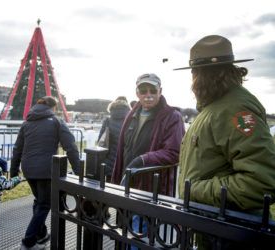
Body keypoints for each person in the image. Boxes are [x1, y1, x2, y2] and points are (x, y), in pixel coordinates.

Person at [175, 35, 275, 248]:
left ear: (204, 76)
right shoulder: (215, 107)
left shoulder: (235, 110)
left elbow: (262, 181)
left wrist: (193, 191)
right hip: (215, 227)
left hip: (231, 232)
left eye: (194, 73)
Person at [111, 73, 185, 249]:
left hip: (149, 188)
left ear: (160, 91)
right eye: (143, 90)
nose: (148, 94)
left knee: (138, 235)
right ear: (137, 92)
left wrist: (143, 160)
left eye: (153, 90)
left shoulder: (172, 116)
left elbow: (174, 152)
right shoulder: (133, 114)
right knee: (126, 233)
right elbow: (123, 149)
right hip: (127, 184)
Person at [10, 96, 80, 250]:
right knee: (44, 204)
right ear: (53, 107)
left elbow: (17, 149)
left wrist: (13, 171)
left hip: (28, 169)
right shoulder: (56, 121)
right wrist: (78, 171)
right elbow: (70, 146)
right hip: (46, 169)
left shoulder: (27, 123)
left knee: (39, 201)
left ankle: (41, 235)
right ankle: (28, 242)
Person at [97, 96, 131, 179]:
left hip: (109, 161)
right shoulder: (131, 119)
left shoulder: (108, 121)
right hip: (125, 161)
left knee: (110, 186)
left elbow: (100, 140)